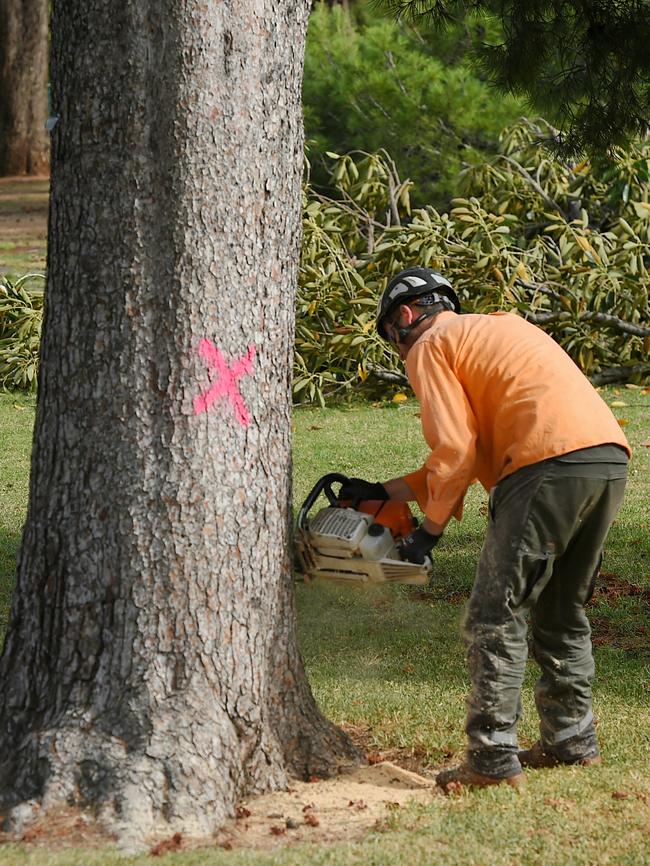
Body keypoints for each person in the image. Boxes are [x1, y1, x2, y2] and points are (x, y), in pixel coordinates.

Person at [340, 267, 630, 792]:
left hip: (544, 462)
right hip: (604, 459)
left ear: (405, 317)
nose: (400, 351)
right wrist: (383, 492)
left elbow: (454, 450)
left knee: (495, 614)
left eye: (392, 339)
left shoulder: (430, 344)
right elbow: (466, 453)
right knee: (561, 609)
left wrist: (426, 536)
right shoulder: (493, 330)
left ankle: (492, 759)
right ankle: (572, 741)